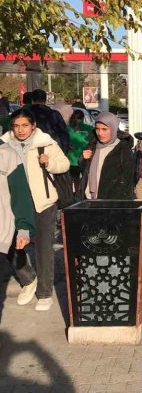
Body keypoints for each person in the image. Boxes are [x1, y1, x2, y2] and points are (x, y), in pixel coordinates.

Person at [1, 109, 70, 311]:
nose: (21, 130)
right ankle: (28, 279)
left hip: (43, 202)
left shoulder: (45, 144)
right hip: (12, 203)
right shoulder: (4, 147)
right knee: (11, 245)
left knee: (43, 248)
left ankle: (44, 293)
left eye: (25, 125)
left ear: (33, 126)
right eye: (16, 126)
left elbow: (64, 164)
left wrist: (49, 163)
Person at [0, 132, 37, 307]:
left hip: (3, 227)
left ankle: (28, 280)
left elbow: (21, 196)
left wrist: (23, 228)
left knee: (14, 251)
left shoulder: (8, 154)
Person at [76, 112, 135, 201]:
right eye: (97, 129)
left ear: (113, 128)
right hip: (89, 198)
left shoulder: (123, 150)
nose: (100, 133)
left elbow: (129, 181)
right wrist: (83, 159)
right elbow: (84, 171)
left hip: (111, 203)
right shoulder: (92, 146)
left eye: (104, 129)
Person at [24, 89, 70, 154]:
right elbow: (64, 134)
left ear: (32, 100)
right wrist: (63, 152)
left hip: (30, 152)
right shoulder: (54, 114)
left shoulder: (25, 115)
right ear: (45, 101)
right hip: (52, 150)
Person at [67, 109, 94, 181]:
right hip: (85, 160)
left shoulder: (67, 128)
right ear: (83, 118)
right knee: (85, 181)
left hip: (71, 160)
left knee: (73, 182)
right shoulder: (90, 128)